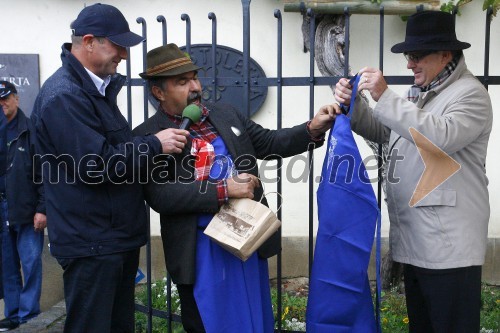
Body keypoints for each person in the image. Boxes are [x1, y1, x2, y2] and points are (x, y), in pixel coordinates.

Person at [132, 43, 336, 333]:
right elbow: (161, 196)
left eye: (194, 77)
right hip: (199, 245)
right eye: (181, 82)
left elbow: (268, 142)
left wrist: (312, 128)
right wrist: (223, 188)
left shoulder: (225, 113)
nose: (194, 87)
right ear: (158, 92)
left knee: (252, 315)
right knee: (212, 321)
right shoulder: (146, 136)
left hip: (245, 235)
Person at [30, 4, 189, 333]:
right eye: (118, 46)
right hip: (93, 243)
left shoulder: (93, 91)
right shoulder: (64, 96)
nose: (125, 56)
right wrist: (154, 144)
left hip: (109, 239)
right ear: (88, 42)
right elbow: (96, 164)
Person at [334, 11, 492, 333]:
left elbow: (441, 136)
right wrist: (356, 106)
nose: (409, 64)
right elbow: (388, 132)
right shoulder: (421, 93)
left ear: (445, 54)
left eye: (416, 56)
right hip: (420, 244)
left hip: (449, 250)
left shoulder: (470, 94)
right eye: (408, 56)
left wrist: (384, 95)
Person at [0, 81, 46, 331]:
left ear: (16, 99)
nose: (2, 104)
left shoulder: (31, 131)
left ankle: (28, 315)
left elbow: (44, 173)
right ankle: (13, 313)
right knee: (7, 265)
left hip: (27, 211)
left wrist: (42, 208)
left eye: (6, 98)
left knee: (30, 264)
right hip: (2, 209)